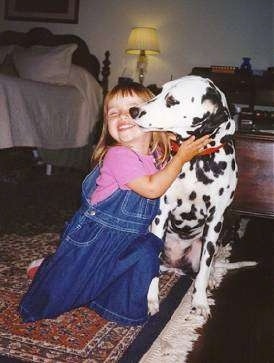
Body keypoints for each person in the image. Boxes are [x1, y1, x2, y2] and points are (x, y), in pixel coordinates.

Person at [19, 82, 211, 326]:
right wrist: (182, 157)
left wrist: (179, 141)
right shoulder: (118, 155)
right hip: (93, 240)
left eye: (132, 110)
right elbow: (153, 188)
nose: (122, 117)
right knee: (58, 294)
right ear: (107, 125)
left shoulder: (154, 156)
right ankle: (48, 269)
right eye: (113, 113)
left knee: (148, 250)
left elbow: (167, 165)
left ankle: (111, 302)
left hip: (127, 240)